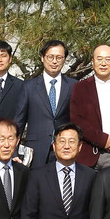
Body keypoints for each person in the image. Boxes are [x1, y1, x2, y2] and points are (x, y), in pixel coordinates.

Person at [69, 44, 110, 169]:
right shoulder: (81, 87)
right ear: (93, 61)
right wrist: (102, 139)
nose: (103, 63)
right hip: (88, 154)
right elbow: (76, 119)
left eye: (108, 59)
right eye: (99, 59)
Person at [23, 40, 73, 170]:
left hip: (65, 148)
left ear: (65, 59)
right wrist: (15, 151)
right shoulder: (28, 87)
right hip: (36, 150)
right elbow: (19, 121)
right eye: (50, 57)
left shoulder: (74, 86)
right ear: (42, 58)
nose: (54, 61)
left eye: (59, 57)